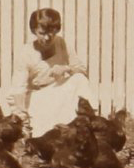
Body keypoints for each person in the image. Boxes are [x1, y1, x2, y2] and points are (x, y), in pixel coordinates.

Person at [6, 8, 97, 137]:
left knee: (79, 79)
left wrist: (66, 68)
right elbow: (18, 89)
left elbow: (82, 70)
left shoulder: (62, 43)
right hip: (36, 99)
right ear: (34, 30)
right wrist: (23, 120)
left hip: (57, 93)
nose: (47, 37)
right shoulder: (26, 53)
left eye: (52, 33)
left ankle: (92, 122)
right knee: (45, 135)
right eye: (42, 33)